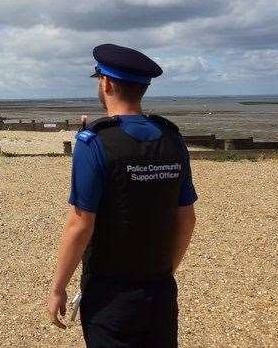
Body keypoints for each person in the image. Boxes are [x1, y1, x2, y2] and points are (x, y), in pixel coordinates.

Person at [48, 43, 197, 348]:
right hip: (160, 290)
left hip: (110, 293)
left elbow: (79, 224)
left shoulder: (94, 142)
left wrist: (57, 287)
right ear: (143, 88)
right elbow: (187, 218)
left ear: (107, 83)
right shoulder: (172, 139)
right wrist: (165, 271)